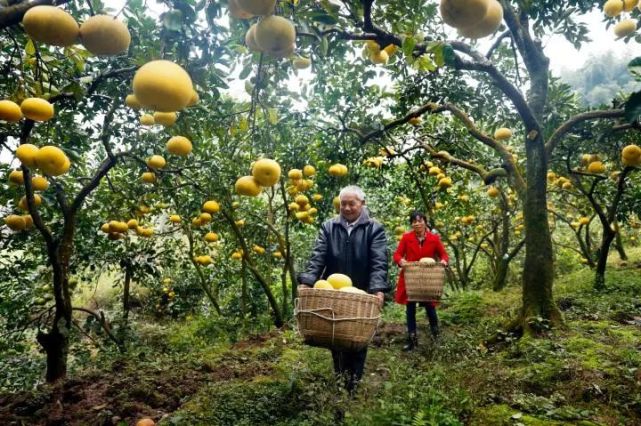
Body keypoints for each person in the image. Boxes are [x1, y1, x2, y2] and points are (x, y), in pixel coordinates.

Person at [298, 185, 389, 393]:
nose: (346, 208)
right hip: (335, 293)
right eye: (343, 204)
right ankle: (341, 381)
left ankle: (353, 387)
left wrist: (377, 289)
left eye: (352, 204)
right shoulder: (329, 227)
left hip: (361, 292)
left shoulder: (374, 229)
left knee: (357, 341)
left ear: (362, 204)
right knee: (336, 335)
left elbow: (378, 261)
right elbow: (318, 256)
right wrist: (308, 280)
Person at [393, 210, 448, 351]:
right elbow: (397, 255)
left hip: (427, 278)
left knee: (430, 307)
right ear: (411, 224)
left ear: (425, 222)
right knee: (410, 309)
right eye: (414, 221)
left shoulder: (434, 238)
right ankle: (412, 341)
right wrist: (402, 261)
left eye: (420, 220)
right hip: (411, 278)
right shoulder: (406, 238)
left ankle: (436, 337)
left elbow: (444, 255)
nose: (417, 223)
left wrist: (443, 261)